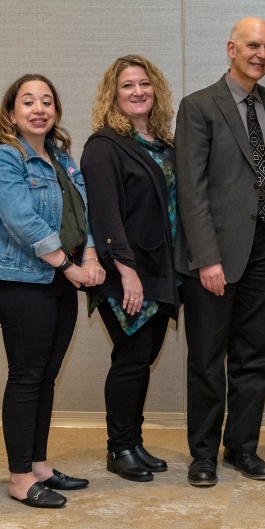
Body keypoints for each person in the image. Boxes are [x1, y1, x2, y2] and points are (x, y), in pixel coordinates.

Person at [175, 17, 265, 487]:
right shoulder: (199, 106)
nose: (260, 54)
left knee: (253, 356)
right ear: (230, 48)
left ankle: (242, 448)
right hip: (216, 255)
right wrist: (207, 258)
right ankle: (203, 454)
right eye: (251, 45)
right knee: (206, 358)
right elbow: (191, 188)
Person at [0, 74, 105, 508]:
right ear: (11, 112)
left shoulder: (63, 160)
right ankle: (19, 478)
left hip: (59, 279)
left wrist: (89, 257)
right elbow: (22, 223)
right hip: (20, 281)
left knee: (46, 377)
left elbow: (84, 215)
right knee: (26, 377)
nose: (39, 109)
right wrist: (70, 266)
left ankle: (38, 466)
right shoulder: (4, 159)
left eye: (47, 102)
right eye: (28, 102)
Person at [80, 55, 183, 483]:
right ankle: (118, 447)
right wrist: (127, 271)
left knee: (141, 360)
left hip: (161, 271)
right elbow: (104, 216)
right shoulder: (103, 146)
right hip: (127, 275)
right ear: (113, 95)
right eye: (127, 86)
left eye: (144, 83)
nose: (137, 91)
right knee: (130, 359)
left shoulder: (163, 144)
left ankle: (133, 442)